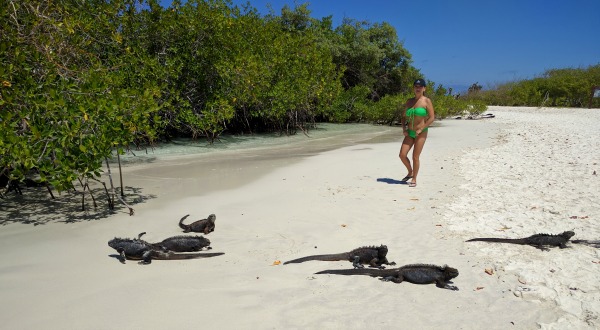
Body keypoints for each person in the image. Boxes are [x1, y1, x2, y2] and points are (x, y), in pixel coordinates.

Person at [398, 78, 435, 187]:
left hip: (421, 132)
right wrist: (404, 129)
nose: (418, 88)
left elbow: (432, 117)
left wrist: (421, 128)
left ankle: (414, 179)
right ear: (413, 88)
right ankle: (410, 171)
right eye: (416, 86)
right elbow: (403, 117)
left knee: (415, 156)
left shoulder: (426, 101)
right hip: (410, 132)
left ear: (424, 88)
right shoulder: (409, 101)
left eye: (420, 87)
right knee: (402, 155)